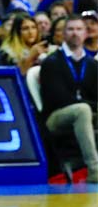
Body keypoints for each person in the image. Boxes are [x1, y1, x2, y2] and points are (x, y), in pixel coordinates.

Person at [39, 15, 98, 183]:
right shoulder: (52, 62)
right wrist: (89, 104)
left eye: (79, 29)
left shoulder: (92, 64)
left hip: (84, 111)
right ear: (63, 34)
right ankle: (94, 170)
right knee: (82, 110)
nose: (75, 33)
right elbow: (59, 98)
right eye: (70, 29)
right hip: (55, 116)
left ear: (86, 34)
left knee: (84, 110)